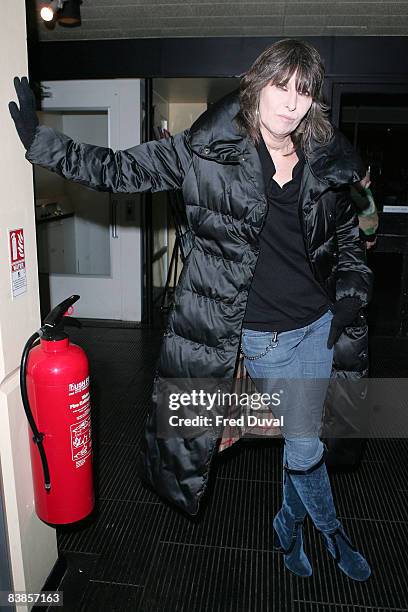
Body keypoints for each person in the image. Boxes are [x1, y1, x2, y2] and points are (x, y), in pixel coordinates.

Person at [9, 38, 372, 581]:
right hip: (265, 337)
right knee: (302, 443)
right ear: (256, 84)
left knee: (305, 443)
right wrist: (45, 144)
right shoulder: (207, 149)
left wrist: (352, 290)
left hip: (319, 328)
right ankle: (330, 531)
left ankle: (288, 524)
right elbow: (117, 170)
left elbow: (346, 235)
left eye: (303, 91)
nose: (291, 103)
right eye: (281, 85)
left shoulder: (322, 159)